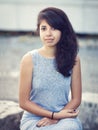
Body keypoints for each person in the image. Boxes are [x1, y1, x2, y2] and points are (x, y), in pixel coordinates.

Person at [19, 7, 83, 130]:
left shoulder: (74, 59)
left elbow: (76, 99)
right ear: (39, 30)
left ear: (63, 31)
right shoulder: (29, 59)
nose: (48, 33)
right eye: (44, 28)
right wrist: (52, 115)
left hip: (63, 117)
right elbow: (23, 102)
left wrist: (56, 117)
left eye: (53, 28)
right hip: (34, 118)